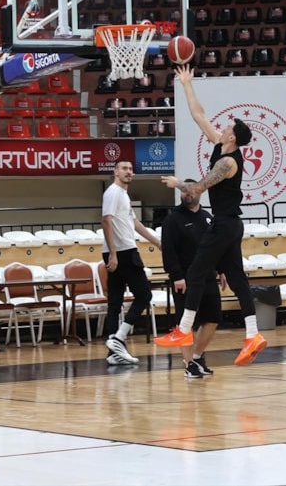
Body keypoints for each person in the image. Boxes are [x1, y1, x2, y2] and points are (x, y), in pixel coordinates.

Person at [154, 63, 267, 366]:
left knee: (196, 272)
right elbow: (199, 115)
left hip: (224, 224)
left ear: (233, 138)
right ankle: (253, 334)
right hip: (230, 224)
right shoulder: (221, 145)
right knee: (237, 278)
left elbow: (200, 187)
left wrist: (178, 183)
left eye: (229, 127)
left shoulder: (229, 163)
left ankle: (183, 330)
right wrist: (187, 84)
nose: (225, 127)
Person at [161, 179, 224, 379]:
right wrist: (177, 276)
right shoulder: (172, 220)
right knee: (185, 323)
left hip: (208, 276)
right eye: (183, 191)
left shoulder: (208, 218)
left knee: (213, 318)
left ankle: (197, 357)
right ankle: (189, 364)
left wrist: (222, 270)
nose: (187, 194)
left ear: (199, 192)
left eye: (190, 190)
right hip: (185, 279)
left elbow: (216, 248)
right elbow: (168, 251)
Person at [101, 160, 162, 366]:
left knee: (115, 301)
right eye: (124, 169)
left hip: (120, 251)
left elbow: (134, 223)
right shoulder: (113, 192)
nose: (129, 172)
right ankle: (119, 338)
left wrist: (157, 242)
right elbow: (106, 220)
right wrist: (113, 253)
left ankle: (113, 352)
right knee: (144, 295)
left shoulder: (123, 195)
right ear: (115, 172)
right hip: (123, 251)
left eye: (130, 169)